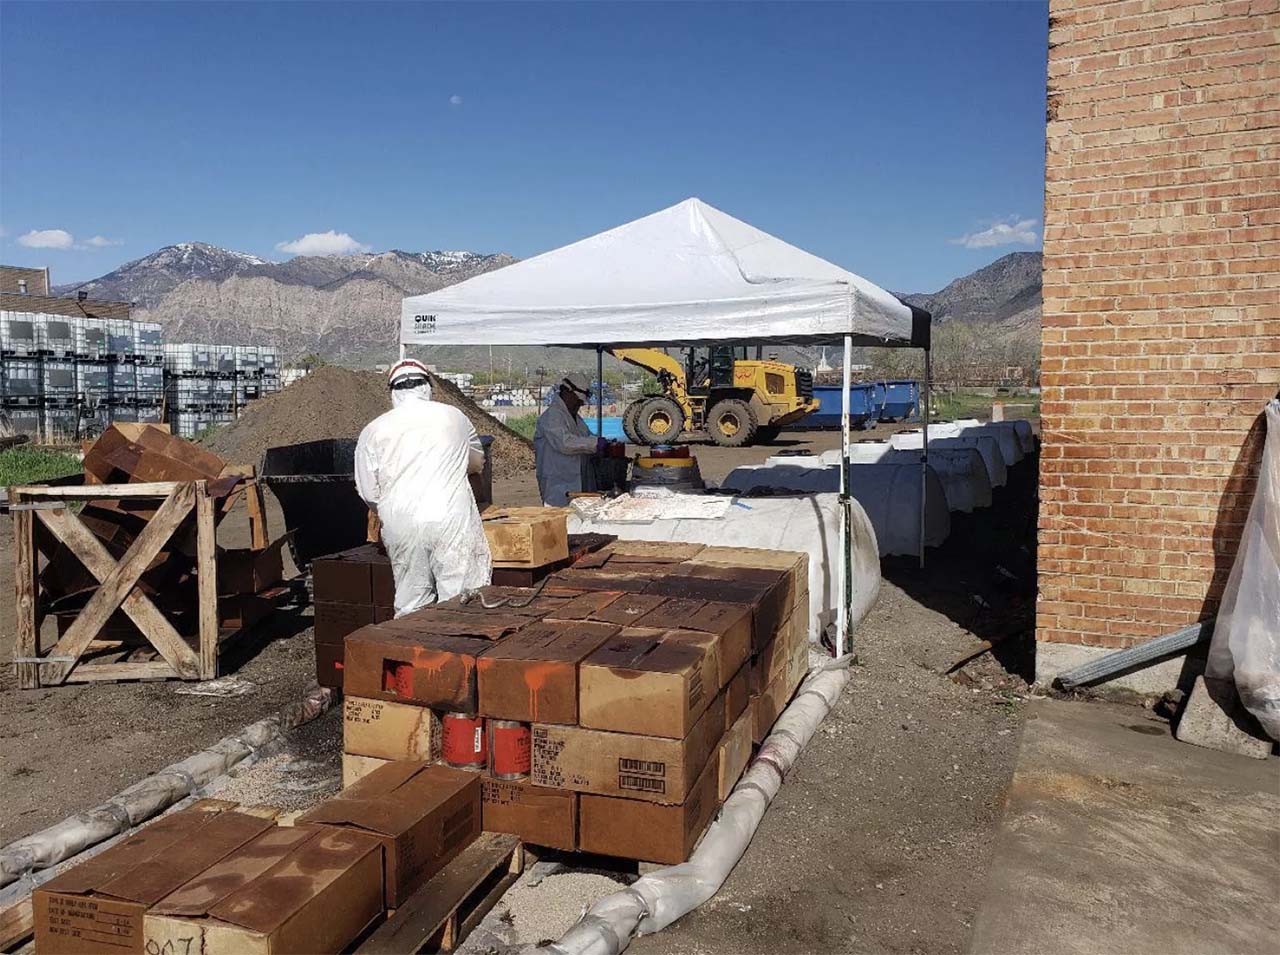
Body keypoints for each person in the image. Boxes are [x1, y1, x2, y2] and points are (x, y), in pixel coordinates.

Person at [355, 359, 491, 616]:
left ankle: (413, 653)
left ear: (393, 391)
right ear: (428, 387)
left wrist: (388, 510)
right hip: (449, 517)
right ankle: (456, 652)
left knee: (411, 601)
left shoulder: (373, 430)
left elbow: (368, 492)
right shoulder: (454, 417)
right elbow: (476, 462)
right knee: (460, 599)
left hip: (400, 522)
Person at [534, 371, 607, 506]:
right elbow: (565, 443)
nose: (579, 405)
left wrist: (602, 444)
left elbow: (586, 436)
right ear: (567, 392)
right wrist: (594, 444)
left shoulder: (575, 418)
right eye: (577, 401)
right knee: (558, 520)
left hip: (575, 482)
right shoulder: (552, 416)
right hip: (557, 484)